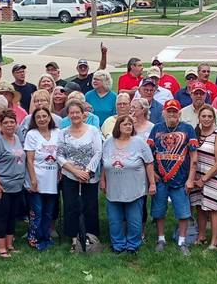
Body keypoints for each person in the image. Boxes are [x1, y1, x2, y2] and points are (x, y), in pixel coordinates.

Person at [147, 99, 197, 255]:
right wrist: (152, 175)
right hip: (160, 179)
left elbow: (194, 157)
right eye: (169, 111)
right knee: (159, 211)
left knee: (183, 212)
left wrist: (190, 179)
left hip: (180, 180)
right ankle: (161, 239)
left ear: (179, 113)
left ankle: (182, 241)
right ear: (164, 113)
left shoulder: (188, 129)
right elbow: (148, 154)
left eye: (175, 111)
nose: (172, 114)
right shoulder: (156, 129)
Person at [101, 115, 155, 253]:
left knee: (134, 220)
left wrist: (152, 184)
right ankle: (117, 244)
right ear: (118, 126)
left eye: (130, 124)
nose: (128, 126)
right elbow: (104, 163)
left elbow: (149, 163)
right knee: (114, 220)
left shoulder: (139, 143)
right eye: (125, 124)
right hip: (113, 188)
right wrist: (102, 180)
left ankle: (133, 245)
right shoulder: (108, 143)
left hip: (134, 189)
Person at [57, 98, 103, 251]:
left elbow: (98, 152)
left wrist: (87, 171)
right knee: (71, 206)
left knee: (90, 206)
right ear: (68, 115)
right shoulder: (62, 133)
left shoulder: (93, 130)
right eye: (72, 113)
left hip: (89, 175)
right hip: (70, 175)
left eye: (78, 112)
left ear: (84, 114)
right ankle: (74, 239)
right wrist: (75, 171)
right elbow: (59, 155)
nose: (75, 115)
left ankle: (91, 239)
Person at [0, 109, 26, 258]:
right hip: (1, 187)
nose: (9, 125)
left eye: (12, 122)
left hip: (16, 186)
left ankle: (10, 245)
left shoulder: (16, 138)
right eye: (6, 123)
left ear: (16, 124)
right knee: (1, 216)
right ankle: (1, 247)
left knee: (11, 216)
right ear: (0, 125)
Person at [25, 106, 61, 251]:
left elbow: (61, 154)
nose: (41, 119)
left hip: (52, 178)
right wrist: (33, 179)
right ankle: (34, 237)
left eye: (44, 116)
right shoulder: (32, 134)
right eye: (38, 117)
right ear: (34, 119)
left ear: (49, 117)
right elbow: (29, 159)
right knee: (37, 211)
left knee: (48, 211)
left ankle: (46, 236)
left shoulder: (57, 132)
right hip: (37, 178)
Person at [189, 105, 217, 249]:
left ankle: (214, 241)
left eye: (210, 117)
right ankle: (201, 236)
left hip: (211, 177)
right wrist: (195, 179)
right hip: (196, 175)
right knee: (199, 206)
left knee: (213, 209)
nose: (206, 119)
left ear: (214, 119)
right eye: (203, 116)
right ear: (199, 118)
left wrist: (204, 180)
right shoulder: (195, 134)